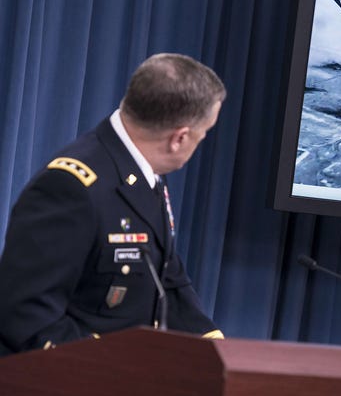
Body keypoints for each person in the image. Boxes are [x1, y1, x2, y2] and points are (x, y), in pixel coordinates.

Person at [0, 53, 226, 355]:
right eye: (204, 134)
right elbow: (25, 312)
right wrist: (110, 368)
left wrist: (218, 351)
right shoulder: (72, 187)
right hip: (66, 384)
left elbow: (167, 277)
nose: (201, 142)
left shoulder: (144, 170)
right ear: (179, 138)